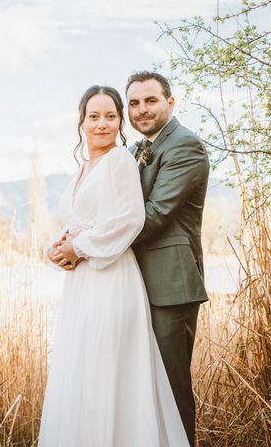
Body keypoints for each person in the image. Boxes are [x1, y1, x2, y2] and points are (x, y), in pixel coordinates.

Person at [38, 85, 189, 446]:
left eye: (110, 116)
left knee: (106, 373)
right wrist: (55, 247)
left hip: (111, 280)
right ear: (82, 121)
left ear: (120, 122)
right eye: (94, 116)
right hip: (81, 286)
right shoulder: (84, 168)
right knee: (81, 371)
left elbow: (130, 219)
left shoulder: (120, 160)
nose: (102, 124)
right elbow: (78, 221)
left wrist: (81, 247)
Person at [126, 71, 210, 446]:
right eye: (134, 103)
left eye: (150, 100)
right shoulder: (134, 150)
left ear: (170, 103)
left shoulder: (184, 146)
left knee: (171, 387)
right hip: (133, 281)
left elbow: (156, 212)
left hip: (171, 286)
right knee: (141, 387)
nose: (141, 110)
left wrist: (90, 247)